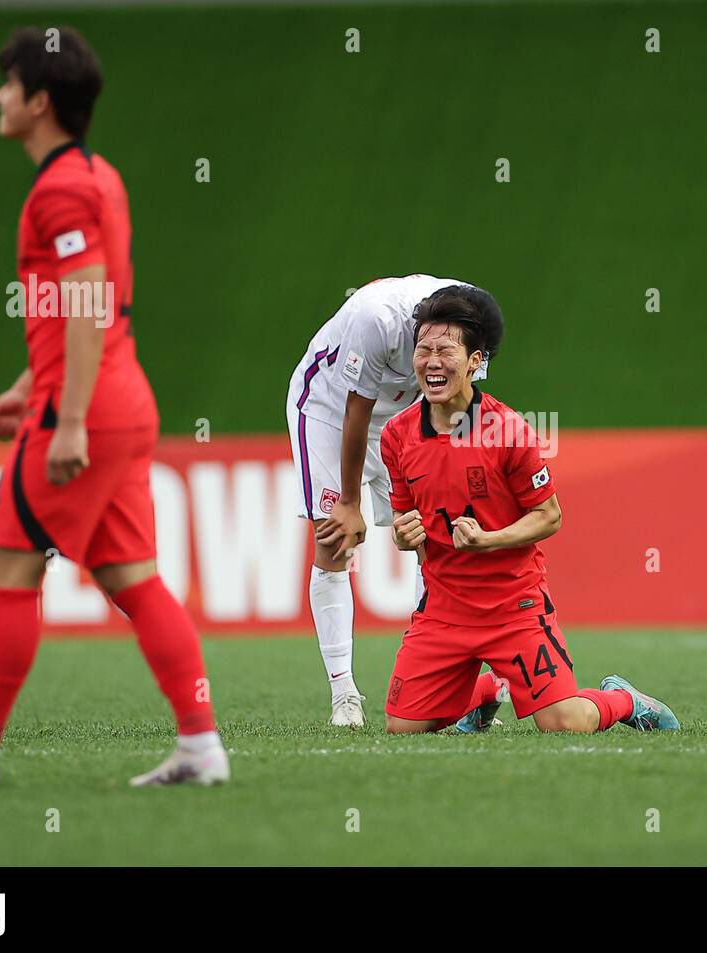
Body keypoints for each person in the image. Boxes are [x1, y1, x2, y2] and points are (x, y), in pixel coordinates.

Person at [0, 26, 227, 788]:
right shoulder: (98, 175)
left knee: (9, 565)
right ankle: (201, 747)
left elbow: (86, 300)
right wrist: (29, 382)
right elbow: (82, 307)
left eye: (7, 85)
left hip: (89, 411)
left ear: (38, 101)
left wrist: (63, 416)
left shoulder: (60, 189)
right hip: (122, 396)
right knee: (132, 576)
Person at [380, 287, 680, 733]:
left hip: (513, 605)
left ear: (475, 362)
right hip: (445, 610)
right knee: (403, 730)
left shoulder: (509, 430)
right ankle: (487, 692)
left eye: (445, 350)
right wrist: (402, 538)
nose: (432, 361)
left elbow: (549, 515)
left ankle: (622, 699)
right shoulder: (397, 436)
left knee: (561, 724)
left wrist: (488, 541)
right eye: (423, 349)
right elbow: (409, 525)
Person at [286, 276, 505, 726]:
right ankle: (344, 692)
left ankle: (451, 692)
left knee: (436, 541)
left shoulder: (472, 322)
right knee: (335, 541)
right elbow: (356, 409)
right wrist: (349, 502)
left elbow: (462, 404)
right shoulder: (376, 318)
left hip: (406, 414)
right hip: (331, 409)